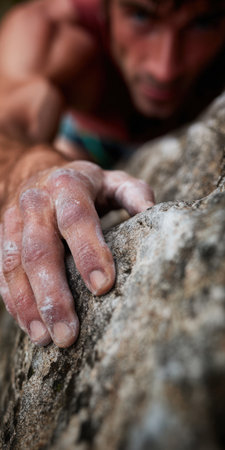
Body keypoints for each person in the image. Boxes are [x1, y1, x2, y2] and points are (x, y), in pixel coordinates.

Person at [0, 0, 224, 348]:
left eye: (203, 23)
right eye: (140, 16)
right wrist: (39, 172)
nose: (164, 68)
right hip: (86, 141)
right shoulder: (53, 30)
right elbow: (9, 122)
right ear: (103, 8)